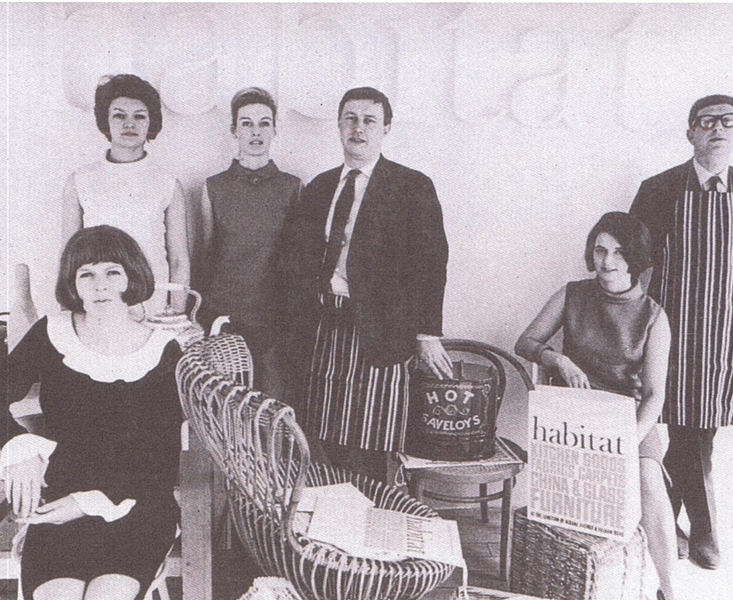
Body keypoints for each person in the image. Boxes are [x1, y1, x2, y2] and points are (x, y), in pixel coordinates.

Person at [2, 226, 182, 600]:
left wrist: (87, 503)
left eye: (112, 272)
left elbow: (161, 458)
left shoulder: (165, 347)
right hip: (58, 504)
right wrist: (20, 449)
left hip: (136, 505)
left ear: (131, 277)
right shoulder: (51, 332)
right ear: (73, 283)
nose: (99, 285)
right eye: (86, 274)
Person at [283, 87, 452, 482]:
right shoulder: (321, 187)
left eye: (369, 120)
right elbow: (298, 263)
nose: (358, 129)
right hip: (324, 329)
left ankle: (369, 536)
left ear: (386, 128)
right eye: (350, 119)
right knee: (324, 445)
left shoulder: (412, 186)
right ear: (339, 125)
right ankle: (329, 536)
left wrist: (427, 334)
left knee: (371, 448)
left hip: (380, 333)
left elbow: (431, 263)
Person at [515, 212, 676, 600]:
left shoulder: (654, 315)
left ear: (635, 257)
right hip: (577, 417)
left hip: (630, 420)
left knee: (649, 481)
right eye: (600, 249)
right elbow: (525, 343)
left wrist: (627, 442)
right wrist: (559, 360)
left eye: (619, 252)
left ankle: (670, 591)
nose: (607, 261)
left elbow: (655, 395)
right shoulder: (572, 294)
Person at [629, 94, 733, 570]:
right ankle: (704, 532)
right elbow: (635, 264)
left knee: (698, 432)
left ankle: (665, 523)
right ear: (690, 132)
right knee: (684, 430)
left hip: (726, 334)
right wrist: (632, 331)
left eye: (728, 121)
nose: (718, 129)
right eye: (706, 121)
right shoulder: (659, 189)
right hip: (671, 331)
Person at [198, 87, 300, 399]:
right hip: (225, 316)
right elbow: (205, 256)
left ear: (274, 130)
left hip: (274, 319)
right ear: (233, 130)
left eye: (264, 123)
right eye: (246, 123)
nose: (256, 132)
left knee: (272, 405)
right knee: (227, 402)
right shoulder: (214, 187)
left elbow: (297, 262)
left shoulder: (292, 187)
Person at [61, 74, 190, 314]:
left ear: (150, 123)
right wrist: (70, 313)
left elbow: (179, 261)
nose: (129, 124)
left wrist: (178, 316)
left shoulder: (168, 183)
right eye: (119, 115)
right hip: (96, 304)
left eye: (139, 116)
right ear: (105, 122)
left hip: (152, 304)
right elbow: (68, 259)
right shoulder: (79, 180)